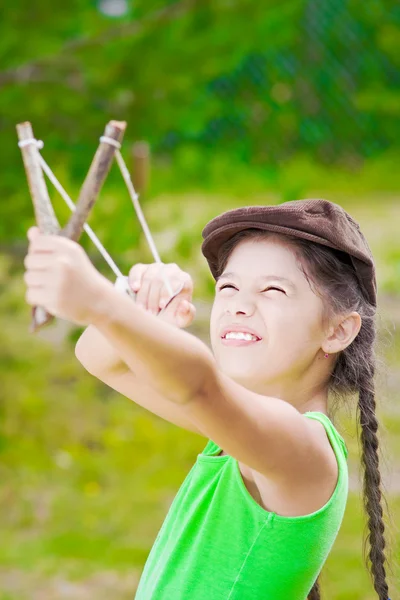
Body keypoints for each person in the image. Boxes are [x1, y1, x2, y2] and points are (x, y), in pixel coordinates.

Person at [23, 198, 392, 599]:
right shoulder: (232, 437)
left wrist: (103, 303)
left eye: (273, 289)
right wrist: (135, 301)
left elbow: (200, 384)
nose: (238, 306)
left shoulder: (306, 451)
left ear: (338, 331)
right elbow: (99, 360)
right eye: (228, 287)